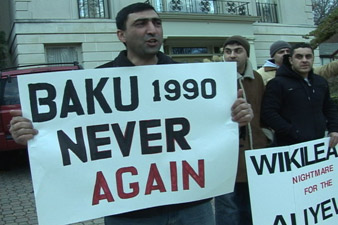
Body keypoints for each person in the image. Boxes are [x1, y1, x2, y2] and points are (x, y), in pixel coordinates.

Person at [9, 3, 254, 225]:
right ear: (121, 35)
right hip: (129, 213)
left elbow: (215, 130)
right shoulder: (94, 85)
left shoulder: (192, 80)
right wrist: (32, 133)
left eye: (156, 23)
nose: (152, 30)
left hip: (192, 207)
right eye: (141, 24)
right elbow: (70, 134)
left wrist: (238, 118)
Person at [214, 35, 269, 225]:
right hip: (226, 156)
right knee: (228, 208)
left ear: (247, 53)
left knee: (251, 206)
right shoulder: (213, 78)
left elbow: (263, 111)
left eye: (238, 51)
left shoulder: (257, 78)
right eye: (227, 51)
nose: (232, 56)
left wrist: (266, 136)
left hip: (255, 153)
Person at [261, 42, 338, 148]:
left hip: (319, 144)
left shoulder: (320, 82)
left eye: (308, 56)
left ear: (313, 59)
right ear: (290, 60)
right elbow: (268, 113)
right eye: (299, 57)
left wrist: (334, 129)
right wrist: (293, 132)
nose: (304, 60)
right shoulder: (277, 83)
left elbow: (329, 107)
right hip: (290, 147)